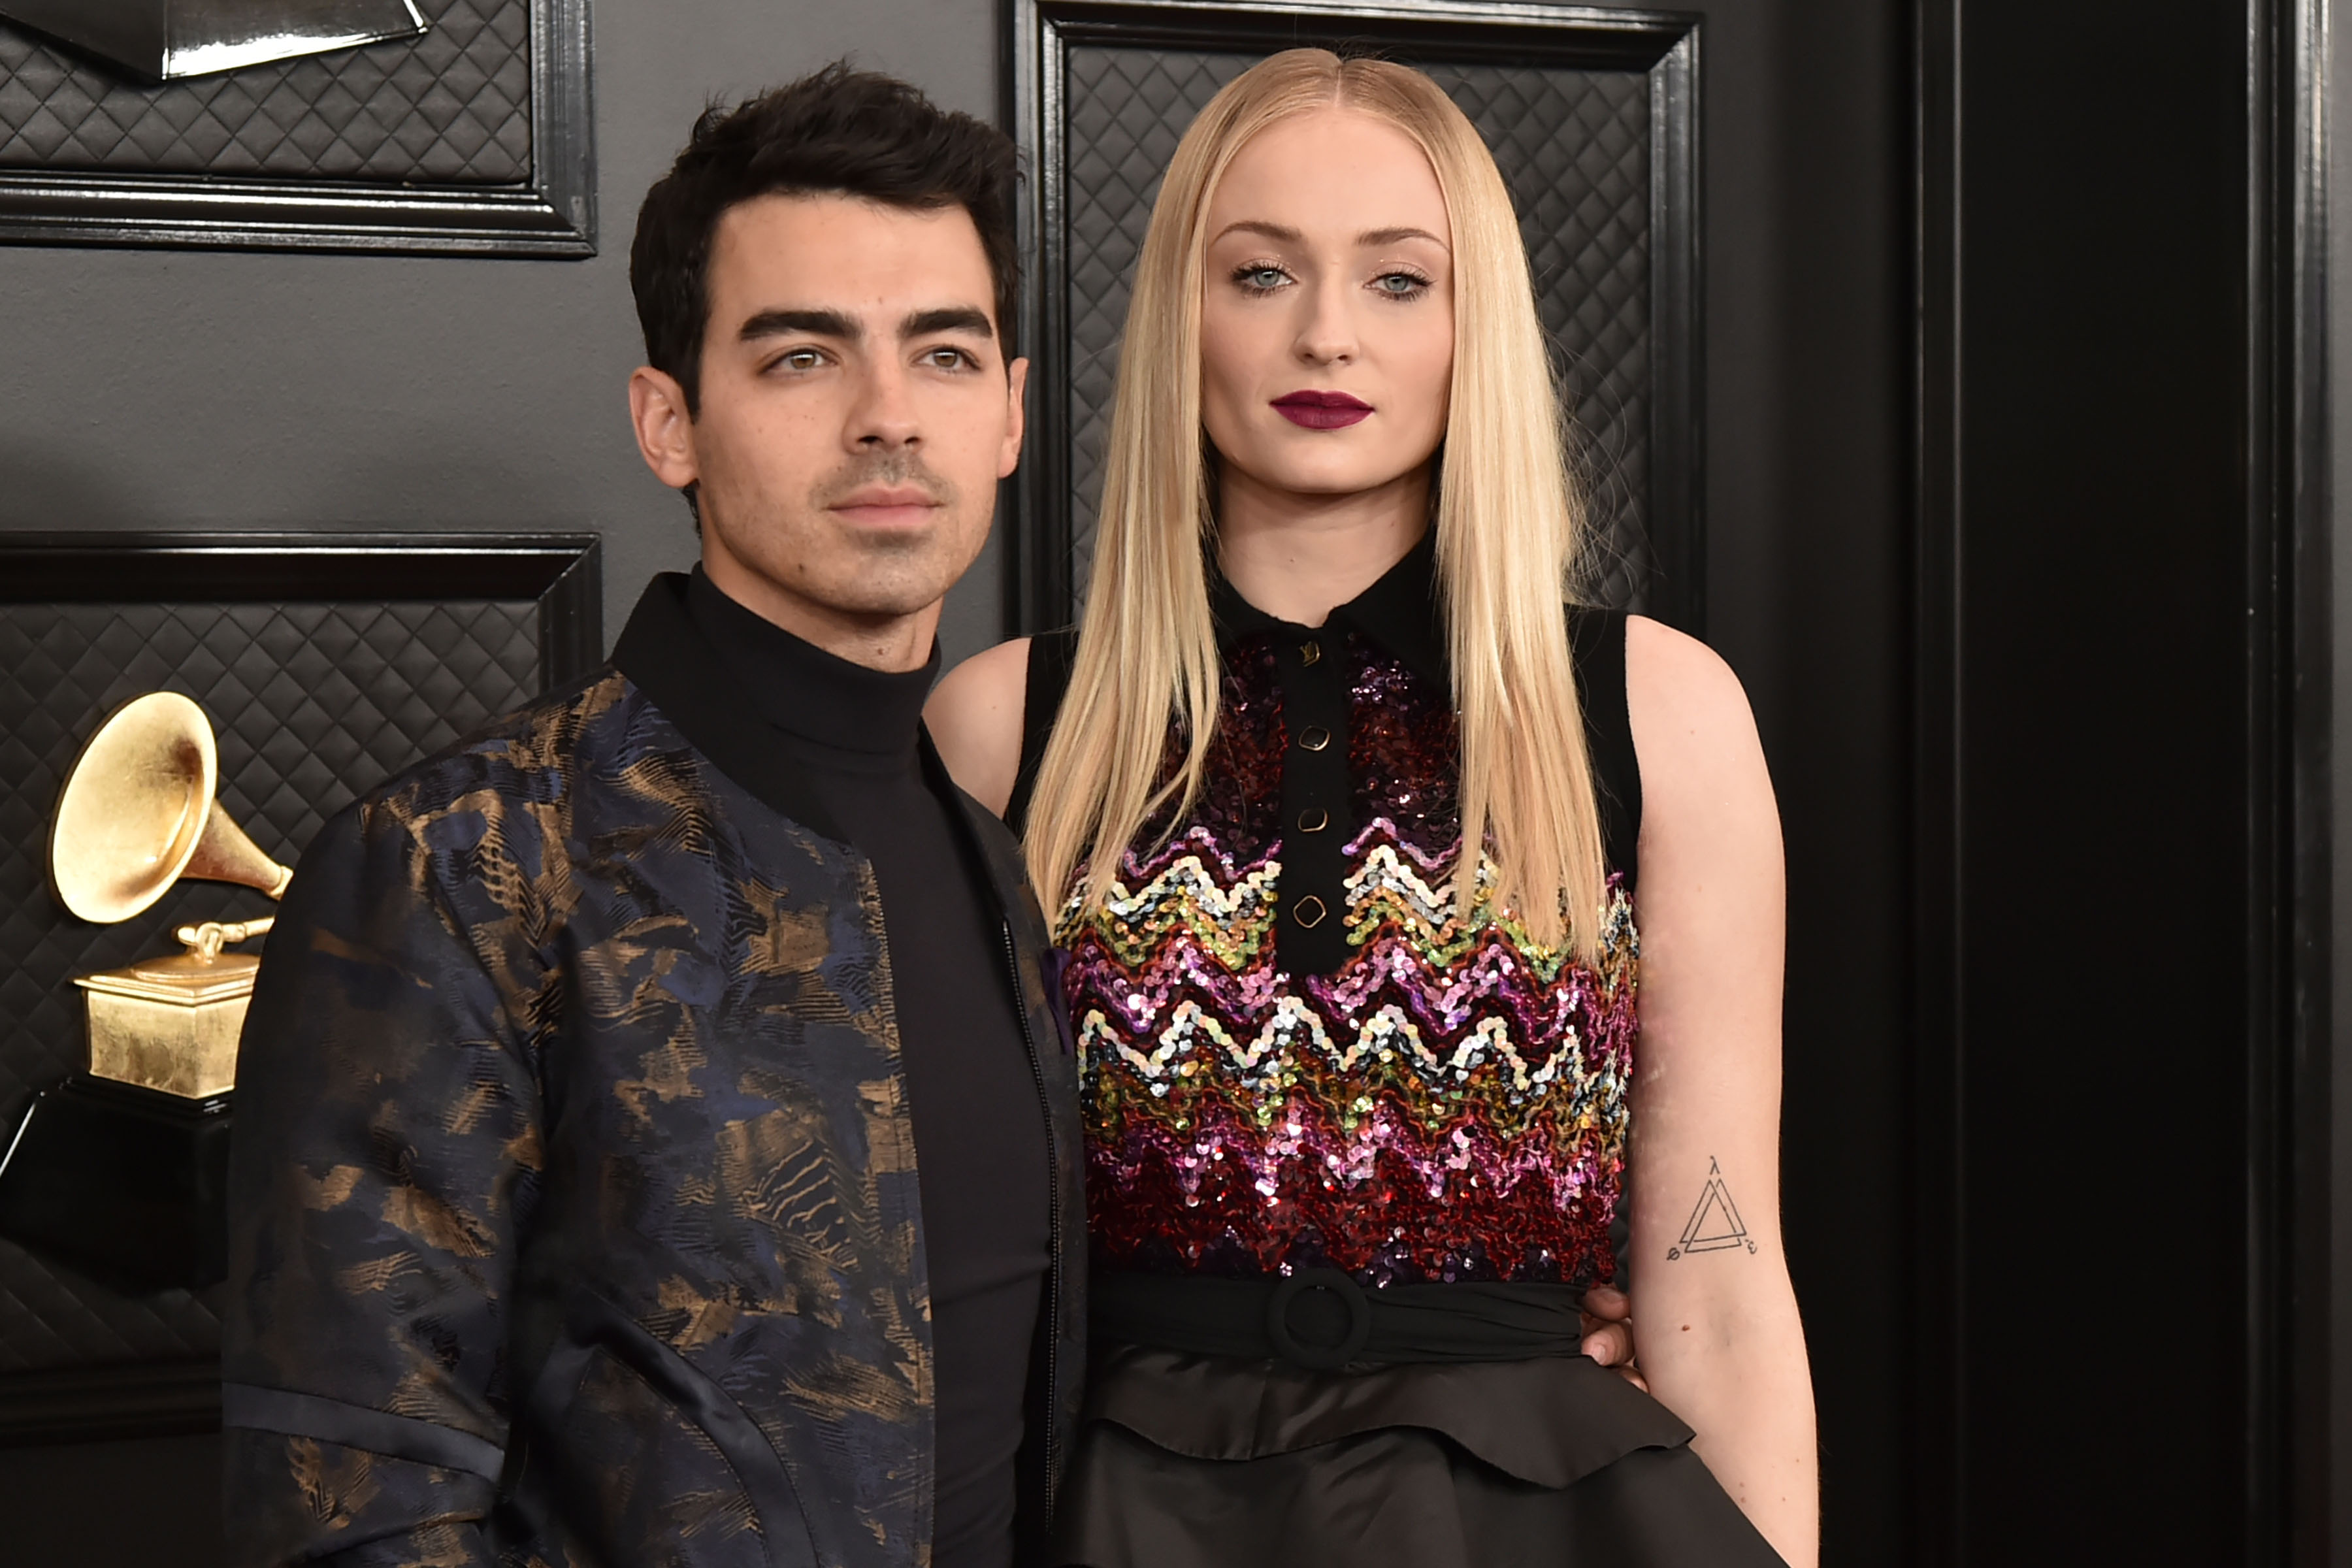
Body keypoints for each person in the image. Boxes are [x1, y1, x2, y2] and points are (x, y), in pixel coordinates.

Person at [928, 49, 1816, 1567]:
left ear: (1477, 328)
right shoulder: (1009, 724)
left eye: (1400, 281)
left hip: (1543, 1515)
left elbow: (1717, 1272)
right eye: (1262, 272)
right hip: (1115, 1512)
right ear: (1179, 320)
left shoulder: (1660, 709)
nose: (1326, 332)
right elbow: (933, 1266)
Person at [219, 67, 1083, 1568]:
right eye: (805, 357)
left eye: (943, 356)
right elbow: (354, 1512)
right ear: (669, 422)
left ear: (1009, 416)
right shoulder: (460, 863)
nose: (889, 418)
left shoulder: (987, 851)